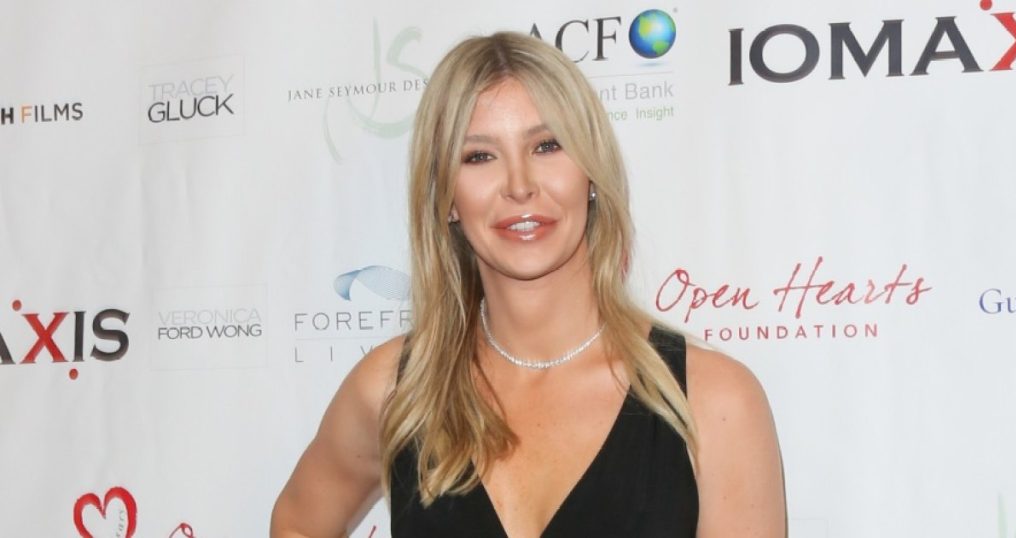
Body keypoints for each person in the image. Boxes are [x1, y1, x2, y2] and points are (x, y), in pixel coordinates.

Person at [271, 31, 785, 537]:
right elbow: (297, 523)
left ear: (590, 173)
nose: (519, 186)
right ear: (446, 197)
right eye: (478, 156)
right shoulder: (395, 389)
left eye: (547, 145)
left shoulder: (712, 402)